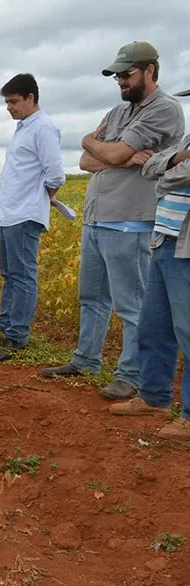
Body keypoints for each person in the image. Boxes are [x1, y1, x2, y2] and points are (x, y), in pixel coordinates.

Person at [41, 42, 185, 400]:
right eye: (117, 74)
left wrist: (105, 149)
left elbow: (112, 152)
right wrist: (95, 143)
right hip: (98, 218)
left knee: (131, 305)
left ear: (150, 70)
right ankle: (86, 358)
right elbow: (85, 161)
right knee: (91, 297)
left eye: (127, 73)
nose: (120, 80)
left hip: (131, 221)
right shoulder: (118, 113)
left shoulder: (165, 109)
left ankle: (132, 375)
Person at [109, 85, 190, 440]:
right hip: (163, 238)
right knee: (154, 325)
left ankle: (188, 417)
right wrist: (172, 161)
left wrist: (167, 166)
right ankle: (155, 396)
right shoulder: (187, 139)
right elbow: (153, 171)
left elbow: (163, 174)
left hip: (186, 246)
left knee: (188, 332)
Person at [0, 74, 66, 361]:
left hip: (25, 214)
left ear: (31, 98)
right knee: (9, 274)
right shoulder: (24, 128)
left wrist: (39, 201)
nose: (9, 108)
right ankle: (3, 328)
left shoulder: (44, 128)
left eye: (13, 102)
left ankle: (16, 337)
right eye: (6, 103)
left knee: (23, 276)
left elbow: (55, 175)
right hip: (11, 213)